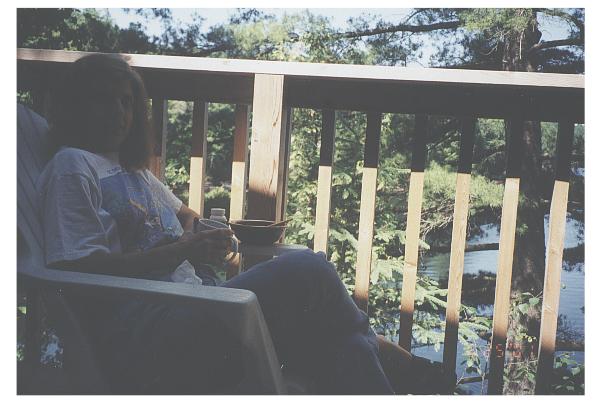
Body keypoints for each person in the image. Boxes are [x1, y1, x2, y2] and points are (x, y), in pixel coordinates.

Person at [37, 53, 412, 395]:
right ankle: (408, 367)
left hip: (196, 305)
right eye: (103, 99)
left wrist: (195, 236)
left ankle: (393, 366)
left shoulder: (131, 171)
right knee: (309, 268)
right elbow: (77, 268)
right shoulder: (72, 166)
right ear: (75, 106)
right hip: (150, 334)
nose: (119, 112)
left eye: (127, 101)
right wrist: (180, 251)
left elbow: (185, 213)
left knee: (339, 344)